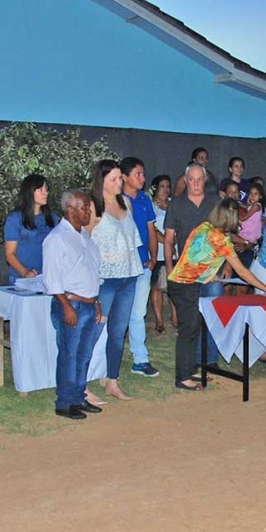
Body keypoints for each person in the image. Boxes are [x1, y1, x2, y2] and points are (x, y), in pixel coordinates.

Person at [167, 198, 266, 390]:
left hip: (182, 282)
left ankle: (189, 370)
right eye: (238, 217)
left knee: (193, 328)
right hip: (185, 285)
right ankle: (182, 378)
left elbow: (192, 254)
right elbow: (243, 272)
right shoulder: (221, 239)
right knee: (189, 331)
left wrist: (206, 275)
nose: (240, 222)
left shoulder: (204, 227)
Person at [42, 190, 103, 420]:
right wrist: (66, 306)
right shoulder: (57, 239)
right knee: (69, 354)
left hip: (88, 304)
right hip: (71, 305)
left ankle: (78, 396)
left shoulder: (84, 237)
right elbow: (51, 278)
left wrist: (95, 302)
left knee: (84, 353)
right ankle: (65, 402)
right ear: (70, 209)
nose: (89, 211)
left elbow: (91, 273)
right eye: (84, 207)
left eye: (88, 206)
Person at [87, 159, 144, 401]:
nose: (119, 182)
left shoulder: (126, 204)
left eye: (120, 178)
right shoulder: (92, 208)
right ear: (102, 181)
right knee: (94, 330)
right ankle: (81, 383)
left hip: (128, 276)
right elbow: (83, 245)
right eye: (114, 179)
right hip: (104, 280)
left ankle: (112, 380)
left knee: (118, 331)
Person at [165, 163, 223, 367]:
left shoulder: (216, 202)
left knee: (213, 314)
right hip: (186, 272)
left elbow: (223, 236)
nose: (196, 183)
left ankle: (211, 358)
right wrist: (171, 270)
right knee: (192, 318)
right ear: (186, 181)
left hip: (212, 272)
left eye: (200, 179)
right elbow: (169, 239)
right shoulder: (176, 204)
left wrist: (219, 268)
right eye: (192, 179)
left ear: (205, 180)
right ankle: (195, 360)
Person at [119, 157, 160, 378]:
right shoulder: (116, 201)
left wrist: (153, 258)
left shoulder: (145, 200)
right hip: (121, 267)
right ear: (124, 177)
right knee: (116, 312)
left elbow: (151, 231)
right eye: (138, 174)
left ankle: (140, 359)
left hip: (143, 264)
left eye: (143, 174)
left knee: (138, 312)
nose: (143, 178)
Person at [3, 174, 55, 285]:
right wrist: (25, 272)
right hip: (21, 279)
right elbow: (10, 254)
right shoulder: (15, 219)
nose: (45, 193)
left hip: (48, 277)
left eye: (46, 189)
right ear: (29, 192)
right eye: (40, 189)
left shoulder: (53, 218)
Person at [150, 174, 176, 334]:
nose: (166, 189)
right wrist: (166, 241)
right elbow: (151, 229)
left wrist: (173, 241)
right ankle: (159, 319)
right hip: (157, 251)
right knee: (156, 286)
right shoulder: (151, 206)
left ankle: (174, 316)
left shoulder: (174, 205)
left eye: (168, 186)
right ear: (155, 188)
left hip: (174, 251)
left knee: (174, 284)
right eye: (162, 186)